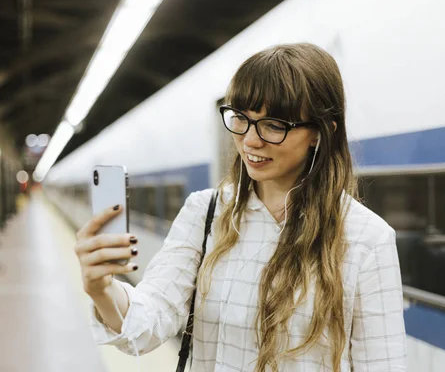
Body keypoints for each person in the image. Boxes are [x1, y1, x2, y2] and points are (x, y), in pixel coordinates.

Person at [74, 43, 407, 371]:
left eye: (274, 125)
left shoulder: (367, 239)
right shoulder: (205, 213)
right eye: (241, 118)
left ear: (320, 133)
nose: (250, 140)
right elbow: (147, 324)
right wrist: (101, 289)